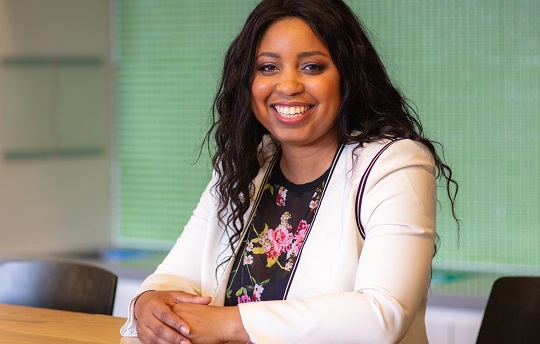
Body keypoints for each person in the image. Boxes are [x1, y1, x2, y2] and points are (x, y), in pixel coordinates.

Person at [120, 0, 458, 343]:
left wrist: (226, 324)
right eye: (268, 67)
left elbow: (382, 315)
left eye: (312, 67)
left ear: (348, 76)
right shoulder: (245, 165)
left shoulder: (395, 162)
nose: (288, 85)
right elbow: (175, 277)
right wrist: (149, 304)